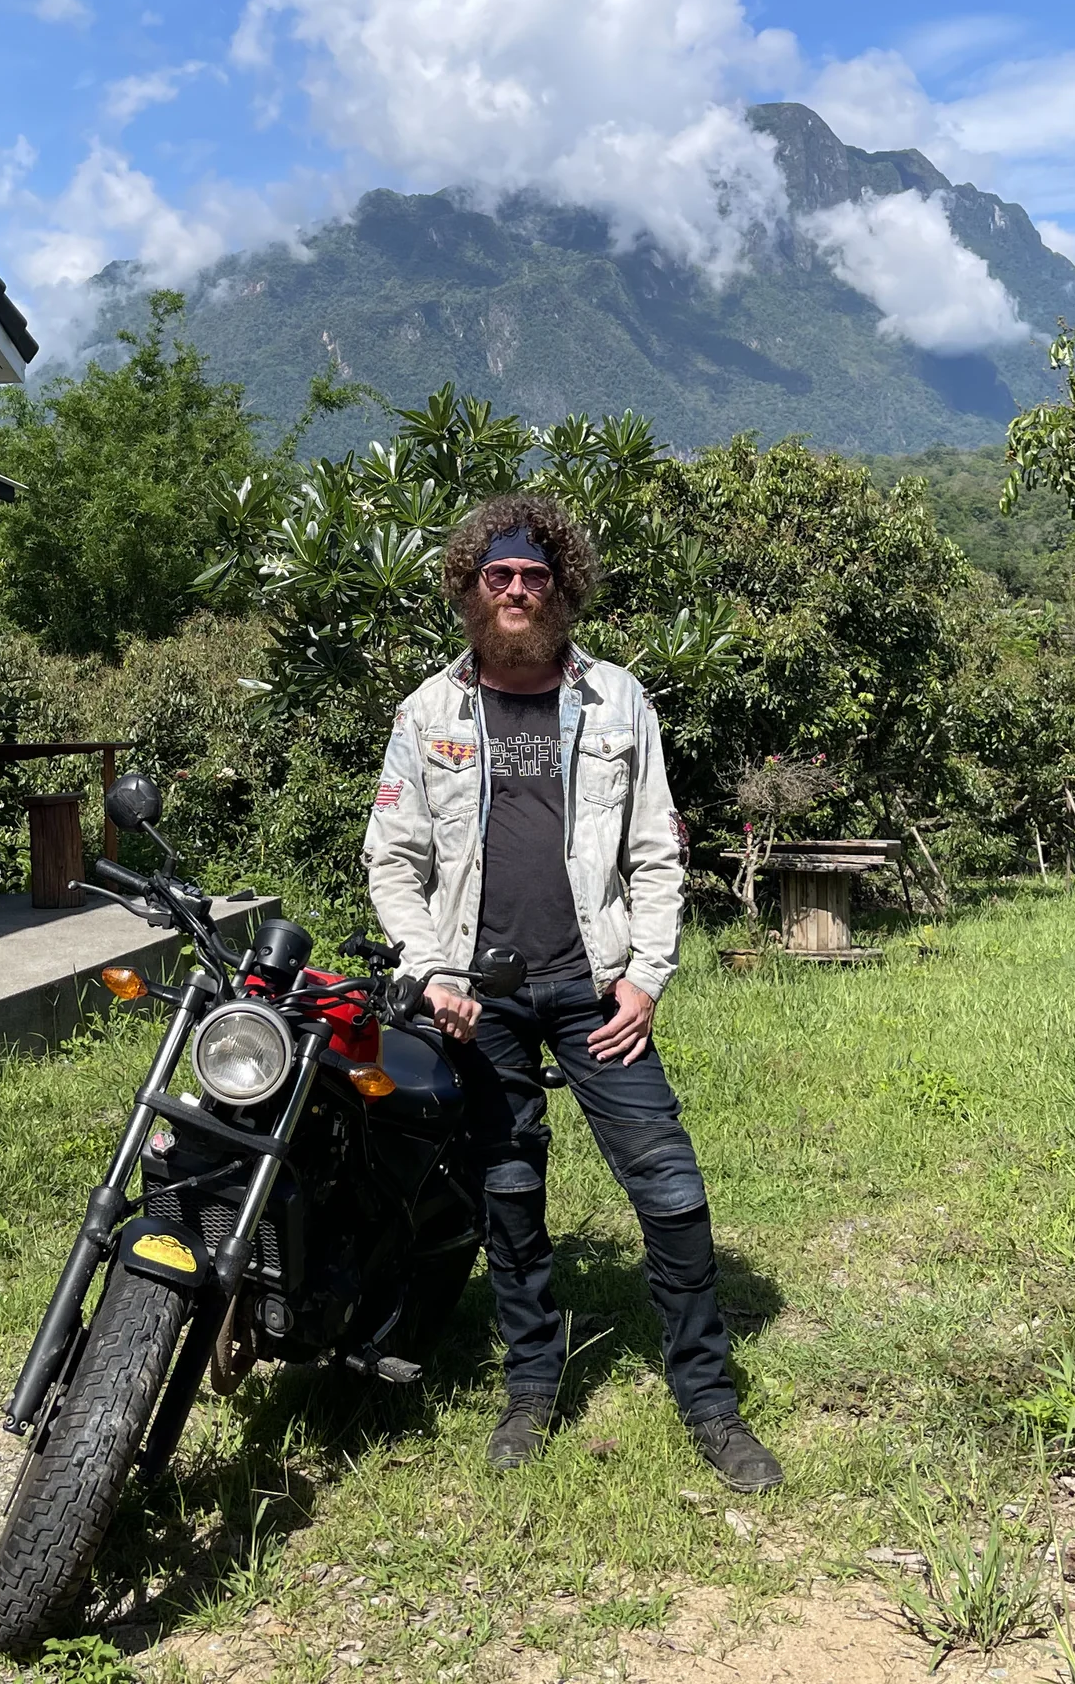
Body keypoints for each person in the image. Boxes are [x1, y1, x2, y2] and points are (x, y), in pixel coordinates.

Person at [361, 492, 783, 1493]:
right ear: (470, 587)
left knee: (671, 1191)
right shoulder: (427, 711)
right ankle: (531, 1389)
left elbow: (655, 852)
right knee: (508, 1194)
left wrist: (646, 977)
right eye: (498, 576)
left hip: (596, 992)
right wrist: (430, 973)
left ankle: (710, 1403)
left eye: (534, 577)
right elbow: (394, 860)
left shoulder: (616, 700)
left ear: (563, 589)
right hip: (480, 997)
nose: (516, 591)